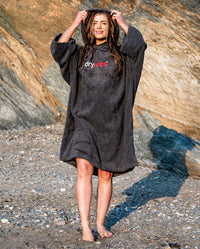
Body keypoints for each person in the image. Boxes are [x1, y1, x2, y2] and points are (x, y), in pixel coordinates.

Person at [51, 8, 147, 242]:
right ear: (90, 28)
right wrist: (75, 22)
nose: (100, 27)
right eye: (95, 24)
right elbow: (59, 49)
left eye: (104, 23)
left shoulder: (121, 55)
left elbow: (138, 46)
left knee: (105, 175)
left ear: (110, 27)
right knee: (84, 169)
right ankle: (85, 225)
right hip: (83, 120)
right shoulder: (81, 54)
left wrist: (123, 23)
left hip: (112, 122)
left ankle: (100, 222)